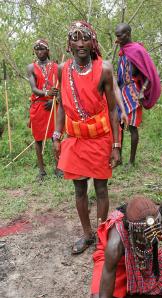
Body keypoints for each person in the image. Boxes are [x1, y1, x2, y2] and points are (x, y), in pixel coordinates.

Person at [53, 21, 120, 255]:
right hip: (75, 140)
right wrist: (56, 136)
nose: (80, 43)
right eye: (75, 38)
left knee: (101, 189)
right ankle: (86, 234)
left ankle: (102, 234)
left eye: (85, 38)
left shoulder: (104, 69)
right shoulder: (62, 69)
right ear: (69, 43)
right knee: (79, 190)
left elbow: (113, 110)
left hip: (100, 138)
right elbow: (61, 105)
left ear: (93, 42)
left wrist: (116, 145)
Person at [115, 23, 161, 166]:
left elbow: (149, 74)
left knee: (133, 127)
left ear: (128, 34)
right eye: (116, 35)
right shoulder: (122, 52)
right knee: (120, 126)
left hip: (133, 93)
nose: (117, 39)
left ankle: (132, 161)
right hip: (121, 92)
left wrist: (142, 91)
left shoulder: (137, 50)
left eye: (120, 35)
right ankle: (119, 158)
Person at [27, 39, 60, 180]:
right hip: (38, 106)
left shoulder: (56, 66)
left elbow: (61, 87)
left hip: (53, 105)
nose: (40, 51)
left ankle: (59, 167)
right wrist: (47, 94)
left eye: (42, 49)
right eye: (37, 49)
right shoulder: (31, 67)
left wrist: (55, 99)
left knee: (56, 136)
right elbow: (34, 89)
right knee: (38, 139)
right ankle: (41, 171)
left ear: (48, 51)